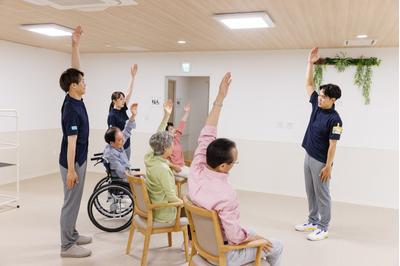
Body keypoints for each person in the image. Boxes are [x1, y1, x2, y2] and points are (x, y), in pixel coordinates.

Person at [188, 72, 283, 265]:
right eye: (234, 162)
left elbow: (207, 133)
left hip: (203, 247)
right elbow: (235, 237)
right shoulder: (226, 195)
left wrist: (220, 97)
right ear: (223, 166)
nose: (234, 164)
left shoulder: (196, 168)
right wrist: (256, 240)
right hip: (224, 254)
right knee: (276, 245)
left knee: (255, 233)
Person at [295, 47, 343, 241]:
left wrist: (328, 166)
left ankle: (323, 227)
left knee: (323, 194)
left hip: (321, 161)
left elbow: (333, 145)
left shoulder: (335, 120)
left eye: (324, 97)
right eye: (320, 95)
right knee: (310, 191)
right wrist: (310, 63)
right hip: (308, 154)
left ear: (333, 99)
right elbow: (308, 83)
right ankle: (313, 220)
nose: (320, 98)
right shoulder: (316, 104)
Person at [58, 26, 92, 258]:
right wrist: (71, 170)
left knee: (75, 199)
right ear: (74, 86)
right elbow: (71, 143)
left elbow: (75, 70)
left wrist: (75, 45)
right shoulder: (71, 109)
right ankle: (67, 246)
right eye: (82, 81)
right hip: (72, 161)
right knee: (70, 202)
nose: (85, 82)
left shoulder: (74, 97)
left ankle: (72, 233)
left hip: (78, 159)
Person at [144, 99, 182, 224]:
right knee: (196, 212)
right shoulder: (163, 169)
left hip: (155, 206)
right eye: (171, 144)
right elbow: (171, 198)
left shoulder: (149, 157)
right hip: (164, 212)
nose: (173, 146)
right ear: (165, 148)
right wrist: (186, 203)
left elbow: (157, 136)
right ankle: (191, 242)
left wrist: (167, 115)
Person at [107, 64, 138, 160]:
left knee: (127, 169)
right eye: (120, 99)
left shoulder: (123, 109)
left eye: (123, 99)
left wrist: (133, 77)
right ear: (114, 101)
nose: (123, 100)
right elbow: (112, 135)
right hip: (118, 147)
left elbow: (128, 93)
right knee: (120, 171)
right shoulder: (112, 115)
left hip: (127, 144)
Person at [103, 103, 138, 179]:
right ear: (111, 142)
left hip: (126, 172)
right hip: (122, 178)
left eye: (122, 138)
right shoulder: (111, 153)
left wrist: (133, 115)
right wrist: (133, 174)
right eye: (120, 140)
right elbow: (122, 173)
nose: (123, 141)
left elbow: (127, 129)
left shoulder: (117, 144)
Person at [164, 103, 191, 178]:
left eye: (174, 128)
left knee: (196, 173)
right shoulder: (165, 143)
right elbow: (164, 160)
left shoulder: (176, 138)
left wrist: (187, 112)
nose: (174, 130)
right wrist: (174, 167)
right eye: (171, 129)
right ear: (166, 132)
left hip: (182, 166)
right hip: (174, 169)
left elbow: (182, 124)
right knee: (194, 176)